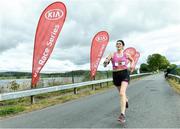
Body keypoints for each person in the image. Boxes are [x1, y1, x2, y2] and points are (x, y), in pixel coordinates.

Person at [103, 40, 134, 123]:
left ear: (123, 46)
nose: (118, 45)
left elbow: (132, 60)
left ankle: (122, 115)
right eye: (117, 44)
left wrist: (132, 66)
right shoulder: (112, 54)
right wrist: (106, 62)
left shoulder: (126, 54)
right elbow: (106, 60)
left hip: (124, 73)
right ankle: (126, 100)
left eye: (120, 44)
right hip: (116, 75)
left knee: (121, 93)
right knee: (121, 93)